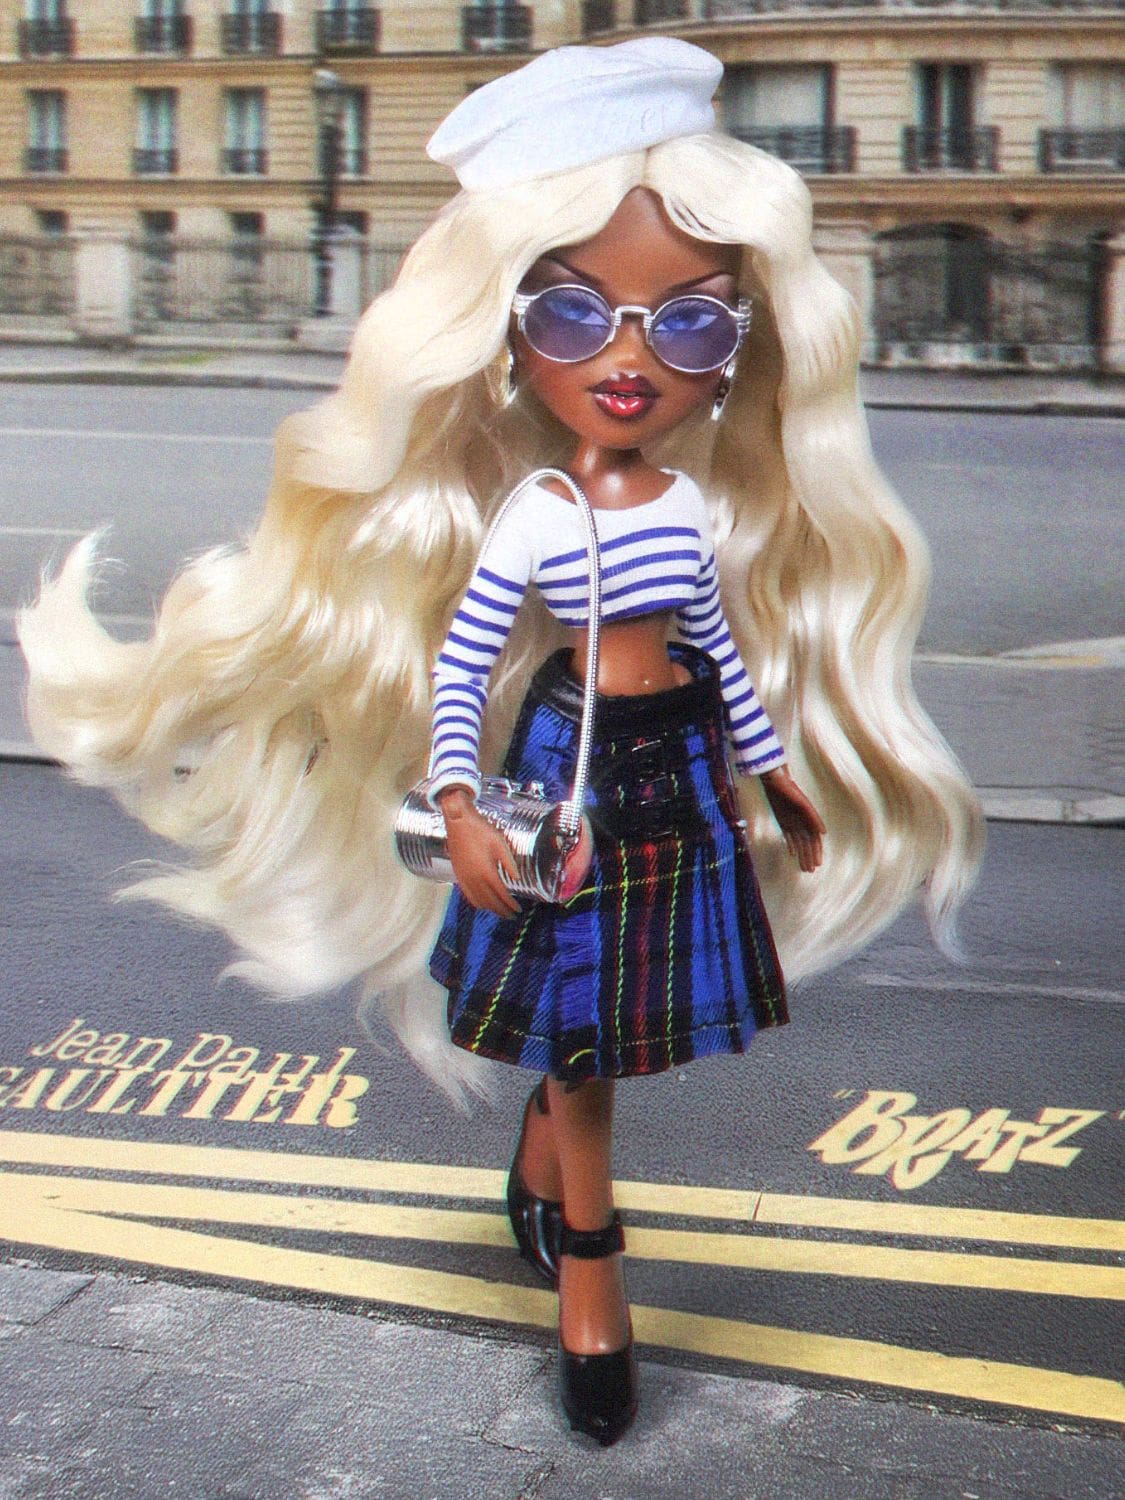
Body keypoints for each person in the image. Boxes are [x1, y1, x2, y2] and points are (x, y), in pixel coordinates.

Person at [19, 38, 983, 1447]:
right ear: (509, 335)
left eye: (688, 325)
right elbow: (468, 660)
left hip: (682, 767)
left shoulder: (687, 509)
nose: (629, 360)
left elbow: (715, 648)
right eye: (575, 314)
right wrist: (463, 803)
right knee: (589, 1032)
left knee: (627, 1025)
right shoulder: (537, 513)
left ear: (734, 354)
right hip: (570, 763)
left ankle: (545, 1148)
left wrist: (777, 771)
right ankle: (591, 1267)